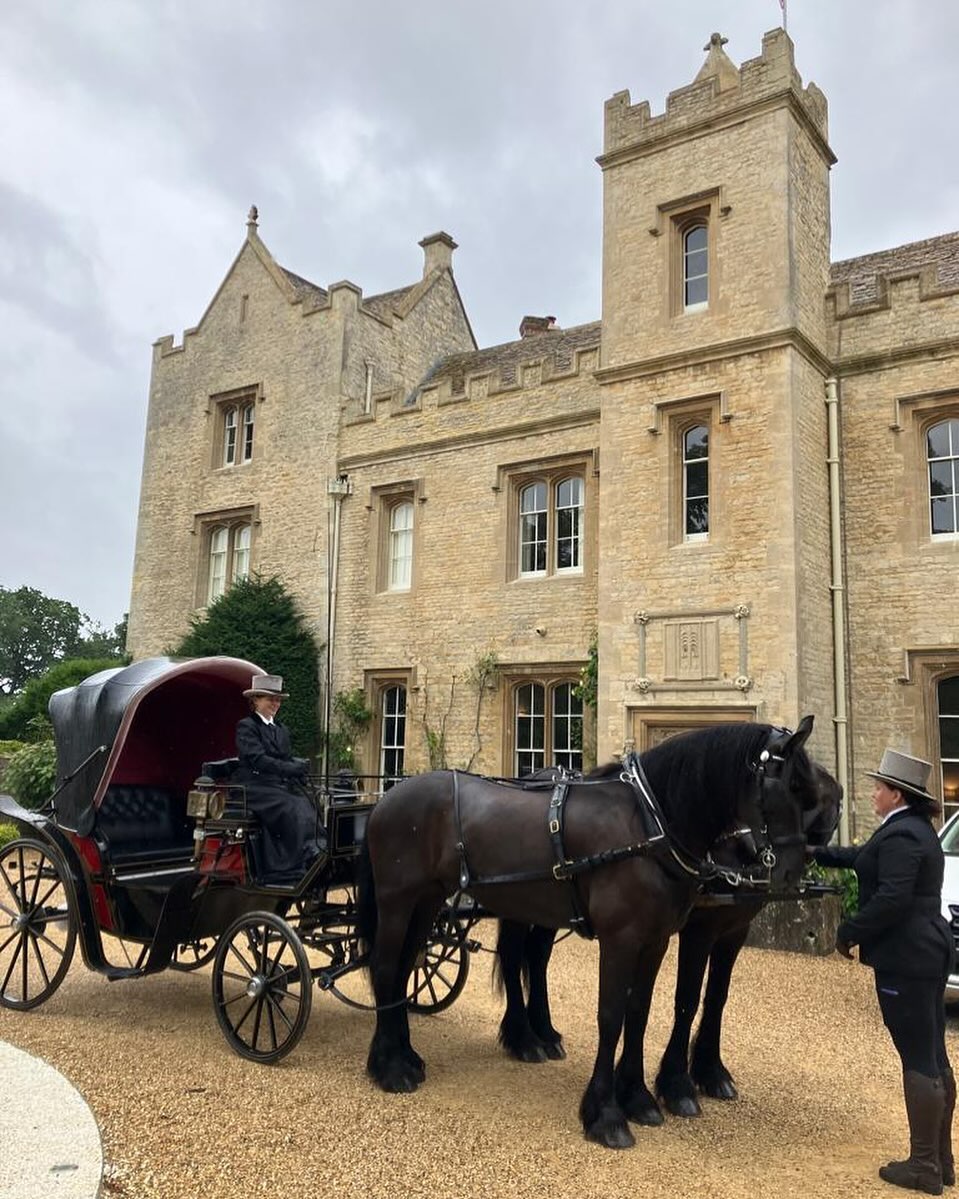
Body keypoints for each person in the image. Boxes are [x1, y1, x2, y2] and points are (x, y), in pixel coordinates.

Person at [812, 749, 956, 1196]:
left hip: (907, 955)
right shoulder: (911, 828)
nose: (872, 793)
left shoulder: (903, 835)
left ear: (897, 794)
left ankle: (923, 1166)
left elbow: (892, 898)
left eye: (878, 787)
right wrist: (815, 852)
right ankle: (942, 1159)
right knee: (932, 1052)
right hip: (925, 949)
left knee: (919, 1056)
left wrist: (848, 931)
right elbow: (864, 857)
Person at [233, 674, 323, 879]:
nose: (276, 704)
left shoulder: (281, 729)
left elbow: (285, 757)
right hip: (253, 785)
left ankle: (316, 847)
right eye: (270, 699)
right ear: (256, 700)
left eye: (278, 700)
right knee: (290, 804)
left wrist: (299, 771)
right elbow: (258, 759)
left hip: (275, 783)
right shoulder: (247, 726)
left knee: (311, 796)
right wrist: (289, 769)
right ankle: (294, 860)